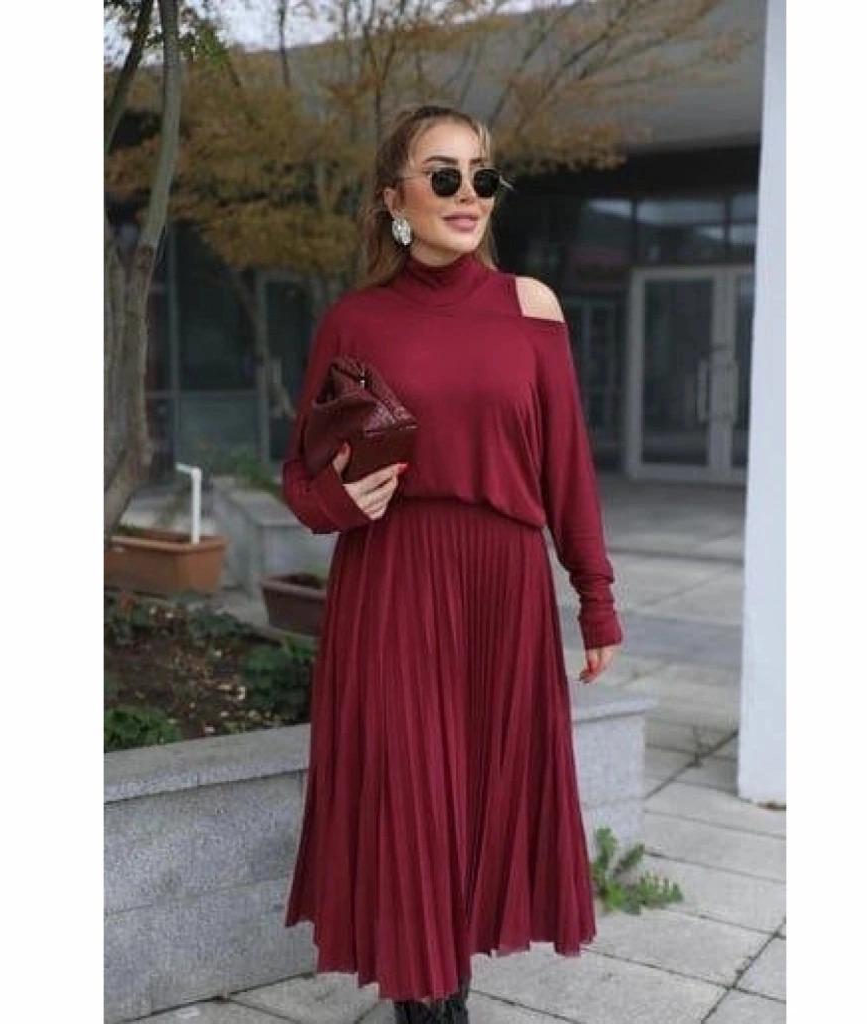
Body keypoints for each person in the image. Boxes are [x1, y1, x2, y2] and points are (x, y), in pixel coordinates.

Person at [282, 103, 622, 1024]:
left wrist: (594, 598)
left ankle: (446, 995)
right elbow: (300, 478)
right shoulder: (355, 321)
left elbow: (567, 469)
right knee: (412, 804)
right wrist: (341, 502)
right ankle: (429, 1007)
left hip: (503, 590)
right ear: (395, 198)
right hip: (393, 584)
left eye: (482, 175)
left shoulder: (531, 307)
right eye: (443, 175)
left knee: (479, 804)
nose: (468, 193)